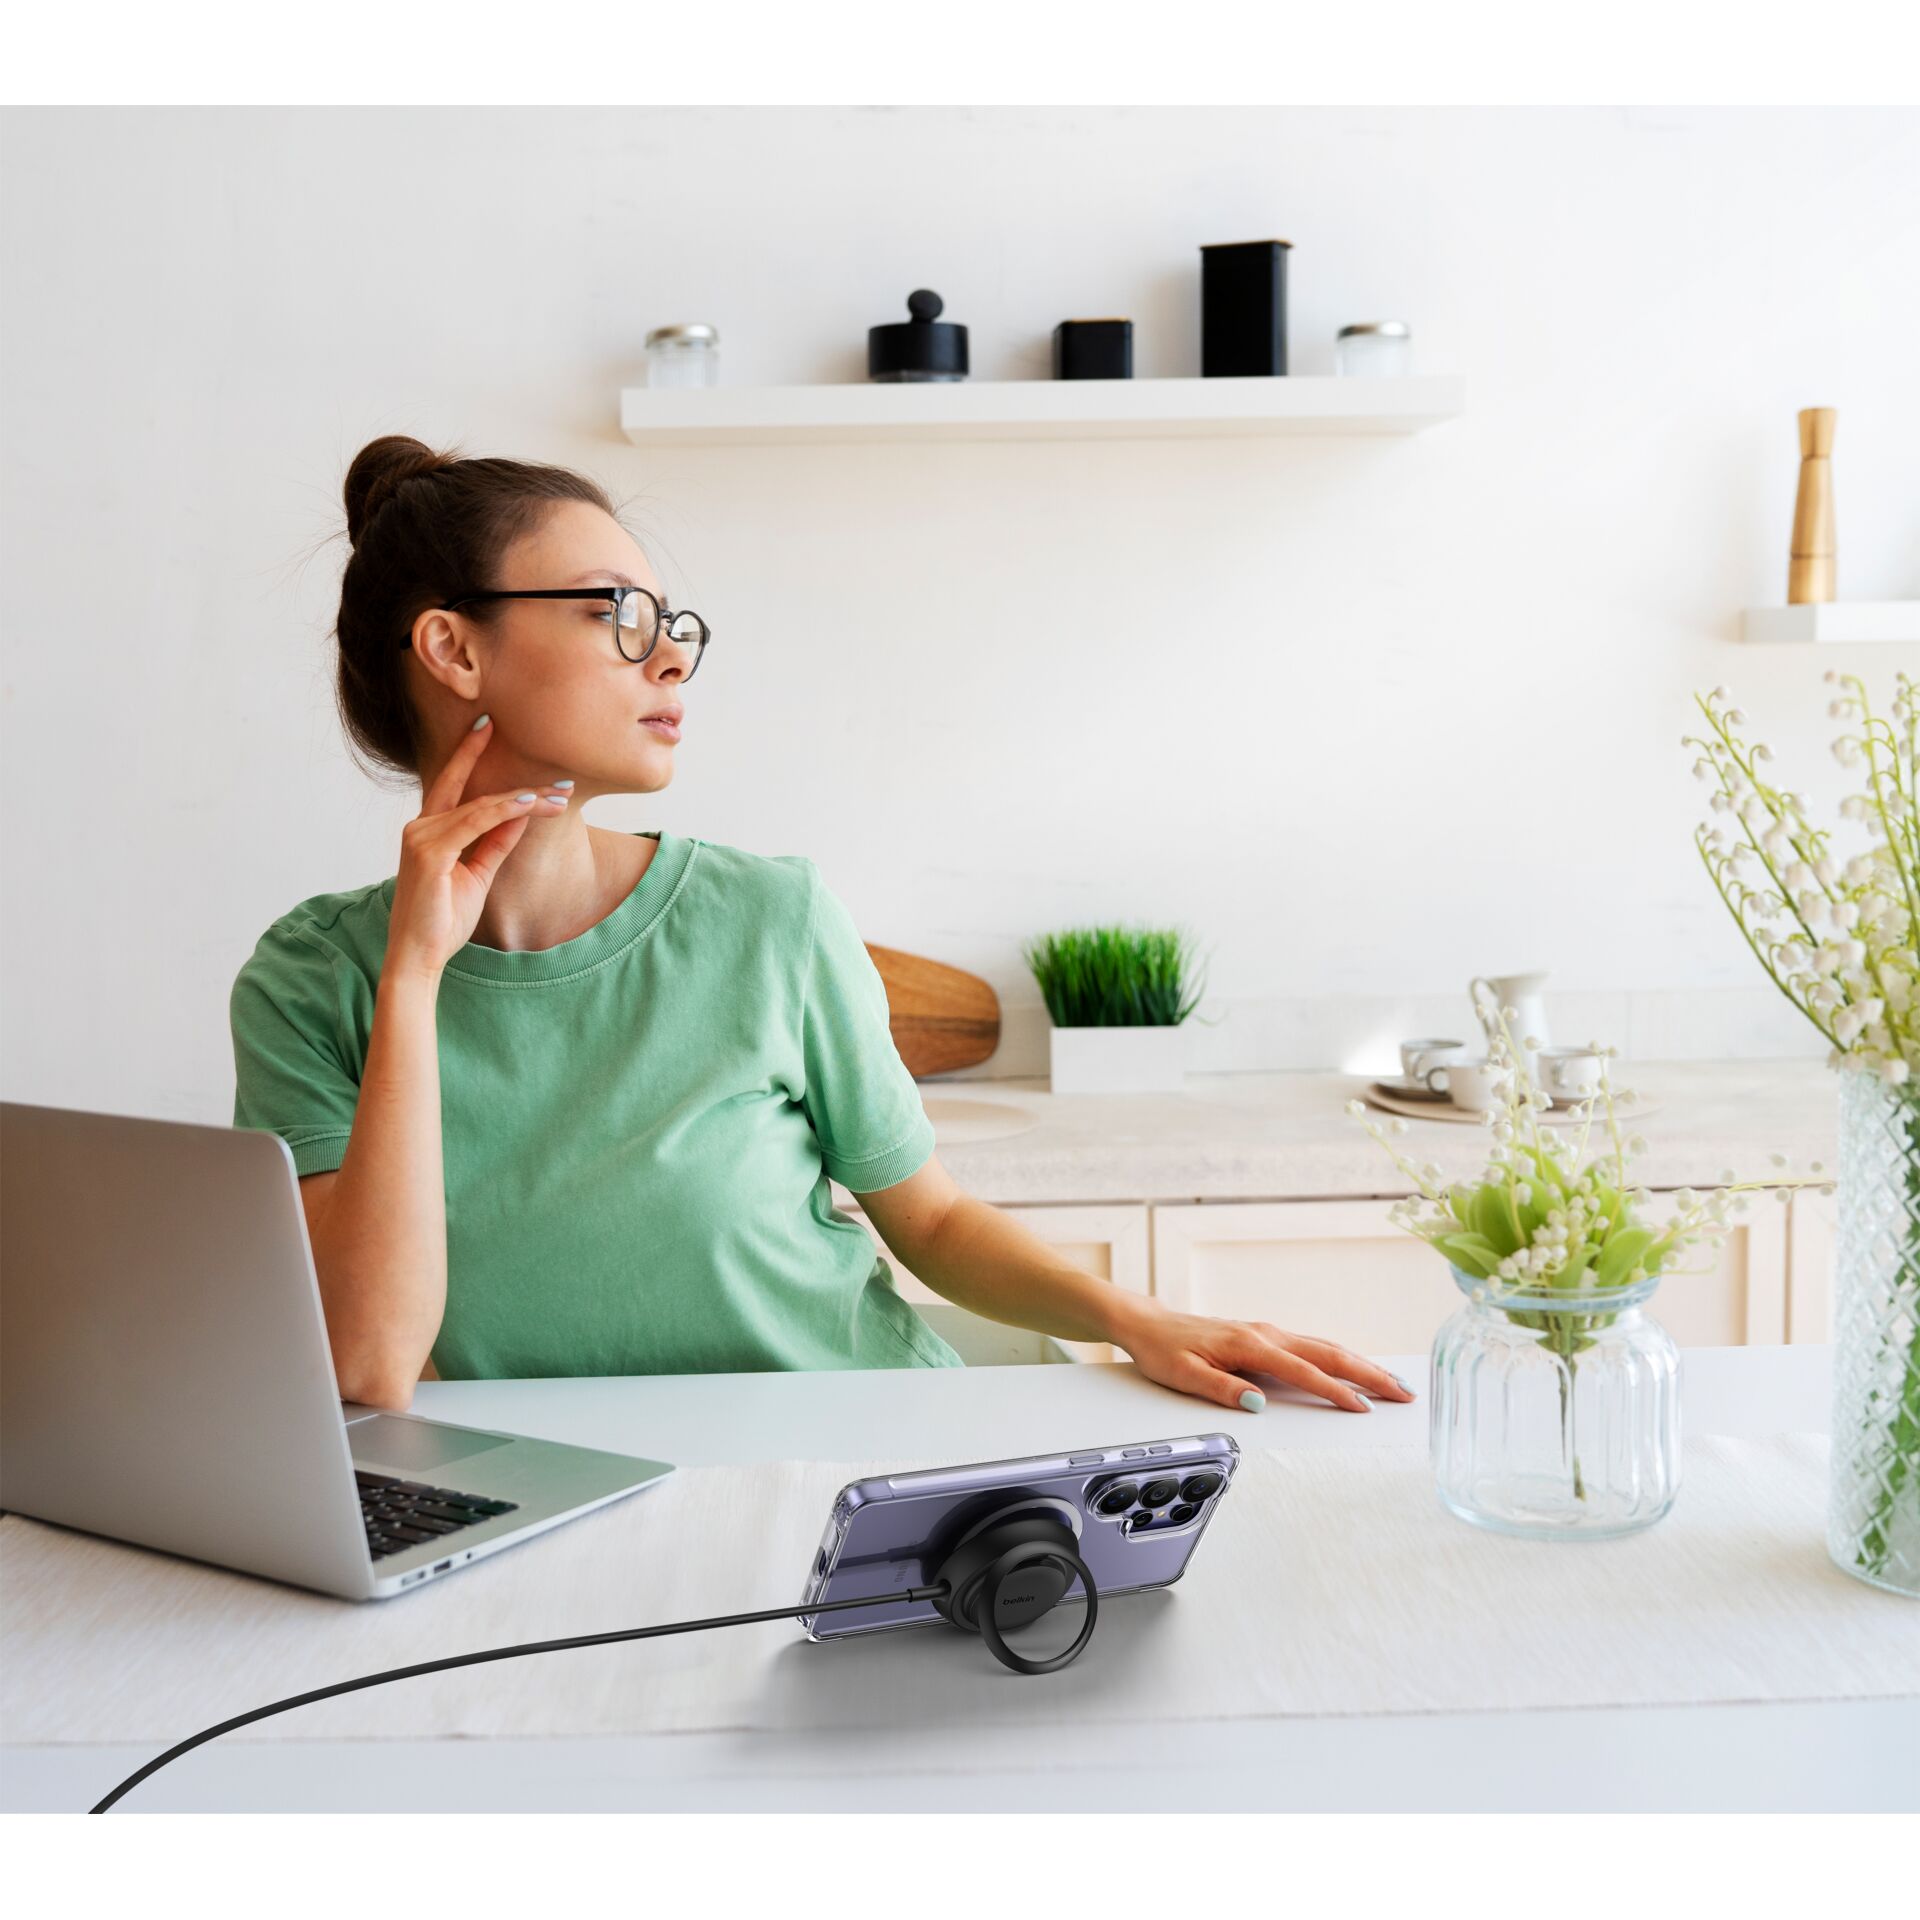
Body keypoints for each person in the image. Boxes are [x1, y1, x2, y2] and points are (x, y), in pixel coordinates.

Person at [231, 434, 1416, 1419]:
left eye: (671, 621)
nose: (671, 658)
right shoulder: (312, 980)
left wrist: (1138, 1321)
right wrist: (417, 973)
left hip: (853, 1451)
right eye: (619, 616)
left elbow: (933, 1219)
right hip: (578, 1509)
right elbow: (368, 1366)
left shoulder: (769, 920)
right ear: (454, 647)